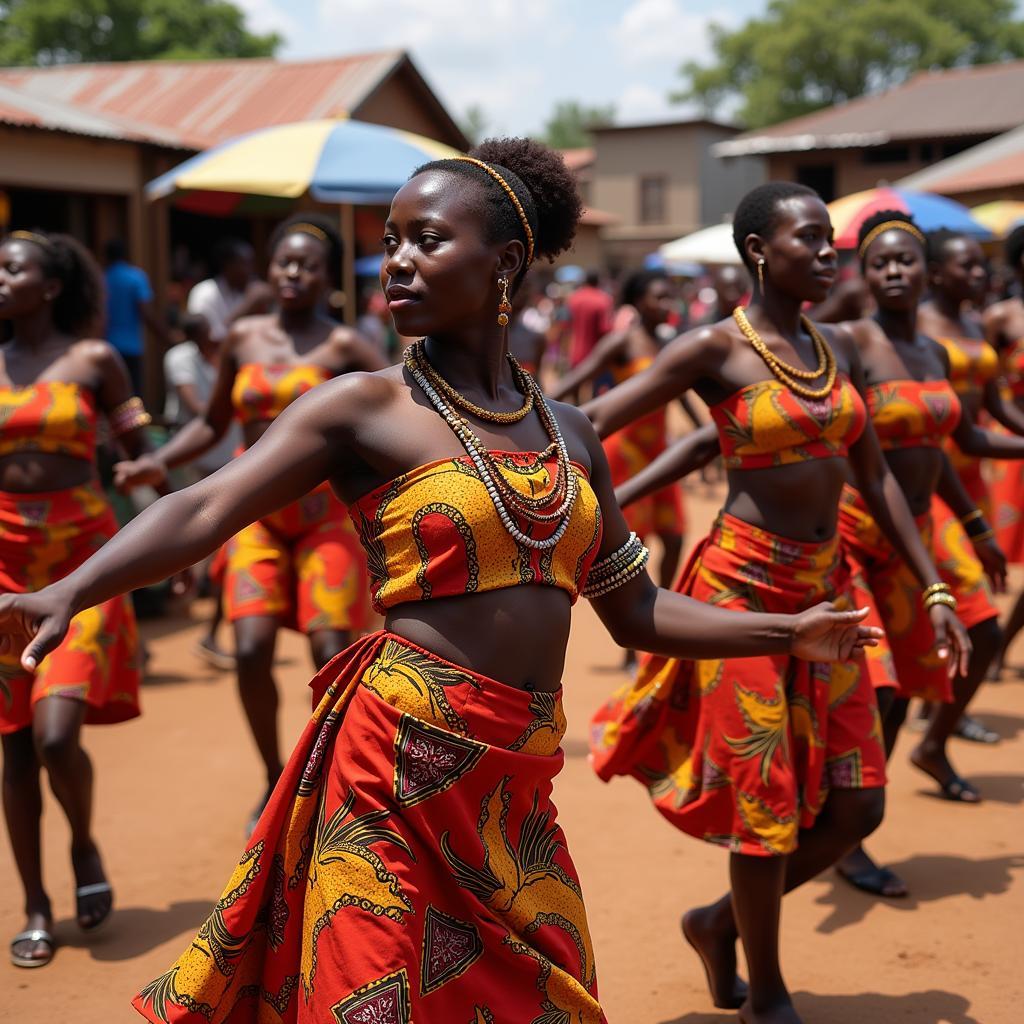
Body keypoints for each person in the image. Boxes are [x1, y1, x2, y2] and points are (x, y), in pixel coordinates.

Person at [0, 145, 881, 1023]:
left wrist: (785, 630)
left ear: (504, 263)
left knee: (549, 1005)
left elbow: (637, 610)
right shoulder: (362, 407)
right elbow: (203, 508)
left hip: (515, 787)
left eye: (425, 239)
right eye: (391, 241)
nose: (397, 260)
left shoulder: (568, 429)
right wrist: (69, 590)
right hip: (394, 764)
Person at [583, 182, 968, 1024]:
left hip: (830, 601)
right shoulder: (712, 349)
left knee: (859, 803)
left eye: (831, 240)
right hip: (738, 599)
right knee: (766, 810)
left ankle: (717, 925)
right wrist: (603, 538)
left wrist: (933, 583)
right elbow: (590, 425)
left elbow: (878, 483)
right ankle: (770, 995)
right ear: (759, 249)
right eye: (811, 240)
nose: (829, 254)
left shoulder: (831, 348)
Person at [117, 215, 385, 830]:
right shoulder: (242, 337)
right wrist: (157, 459)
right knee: (252, 647)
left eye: (309, 265)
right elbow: (212, 425)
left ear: (328, 278)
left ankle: (325, 777)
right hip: (256, 519)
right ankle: (272, 776)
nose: (294, 274)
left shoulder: (343, 349)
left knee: (329, 649)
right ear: (269, 269)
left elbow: (398, 406)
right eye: (284, 262)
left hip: (325, 520)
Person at [831, 212, 1024, 897]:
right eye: (879, 262)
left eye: (904, 261)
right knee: (875, 687)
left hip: (916, 528)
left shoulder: (936, 355)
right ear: (864, 273)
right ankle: (847, 840)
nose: (893, 272)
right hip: (853, 534)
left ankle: (877, 795)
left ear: (924, 271)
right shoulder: (847, 342)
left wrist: (973, 523)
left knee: (947, 657)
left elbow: (957, 442)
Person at [0, 230, 155, 968]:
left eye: (12, 269)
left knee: (55, 735)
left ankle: (84, 842)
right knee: (13, 746)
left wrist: (171, 546)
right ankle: (35, 902)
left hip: (83, 564)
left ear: (51, 284)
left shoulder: (96, 360)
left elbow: (137, 453)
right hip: (1, 566)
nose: (0, 279)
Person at [916, 229, 1024, 742]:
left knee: (955, 599)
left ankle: (936, 704)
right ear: (935, 272)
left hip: (972, 475)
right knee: (973, 606)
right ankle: (938, 728)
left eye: (981, 267)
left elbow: (995, 407)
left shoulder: (976, 325)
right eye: (967, 267)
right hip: (929, 481)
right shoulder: (914, 327)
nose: (980, 275)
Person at [551, 270, 685, 590]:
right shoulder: (623, 340)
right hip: (625, 451)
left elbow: (677, 390)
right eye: (659, 297)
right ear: (639, 302)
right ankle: (635, 624)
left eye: (670, 296)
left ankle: (660, 612)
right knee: (633, 544)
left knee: (675, 537)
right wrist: (536, 410)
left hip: (659, 451)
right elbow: (577, 377)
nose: (667, 304)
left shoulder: (668, 344)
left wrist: (700, 425)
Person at [163, 312, 241, 670]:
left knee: (225, 543)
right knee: (200, 524)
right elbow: (200, 409)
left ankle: (209, 624)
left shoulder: (220, 353)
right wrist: (225, 412)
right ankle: (191, 588)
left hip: (227, 454)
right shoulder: (179, 358)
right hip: (194, 452)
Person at [984, 225, 1024, 677]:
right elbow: (983, 387)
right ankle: (986, 643)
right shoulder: (1000, 318)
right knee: (993, 559)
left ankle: (998, 645)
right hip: (1011, 446)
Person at [103, 239, 168, 394]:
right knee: (133, 399)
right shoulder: (135, 277)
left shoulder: (101, 278)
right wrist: (167, 337)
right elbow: (146, 313)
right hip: (131, 348)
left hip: (107, 348)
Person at [186, 239, 270, 342]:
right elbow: (209, 339)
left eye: (252, 263)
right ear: (227, 265)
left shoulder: (250, 290)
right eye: (244, 263)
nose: (251, 269)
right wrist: (248, 306)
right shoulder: (205, 292)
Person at [566, 270, 613, 367]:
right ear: (599, 281)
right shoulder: (603, 299)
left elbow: (566, 325)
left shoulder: (573, 298)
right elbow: (604, 329)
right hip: (595, 357)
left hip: (574, 354)